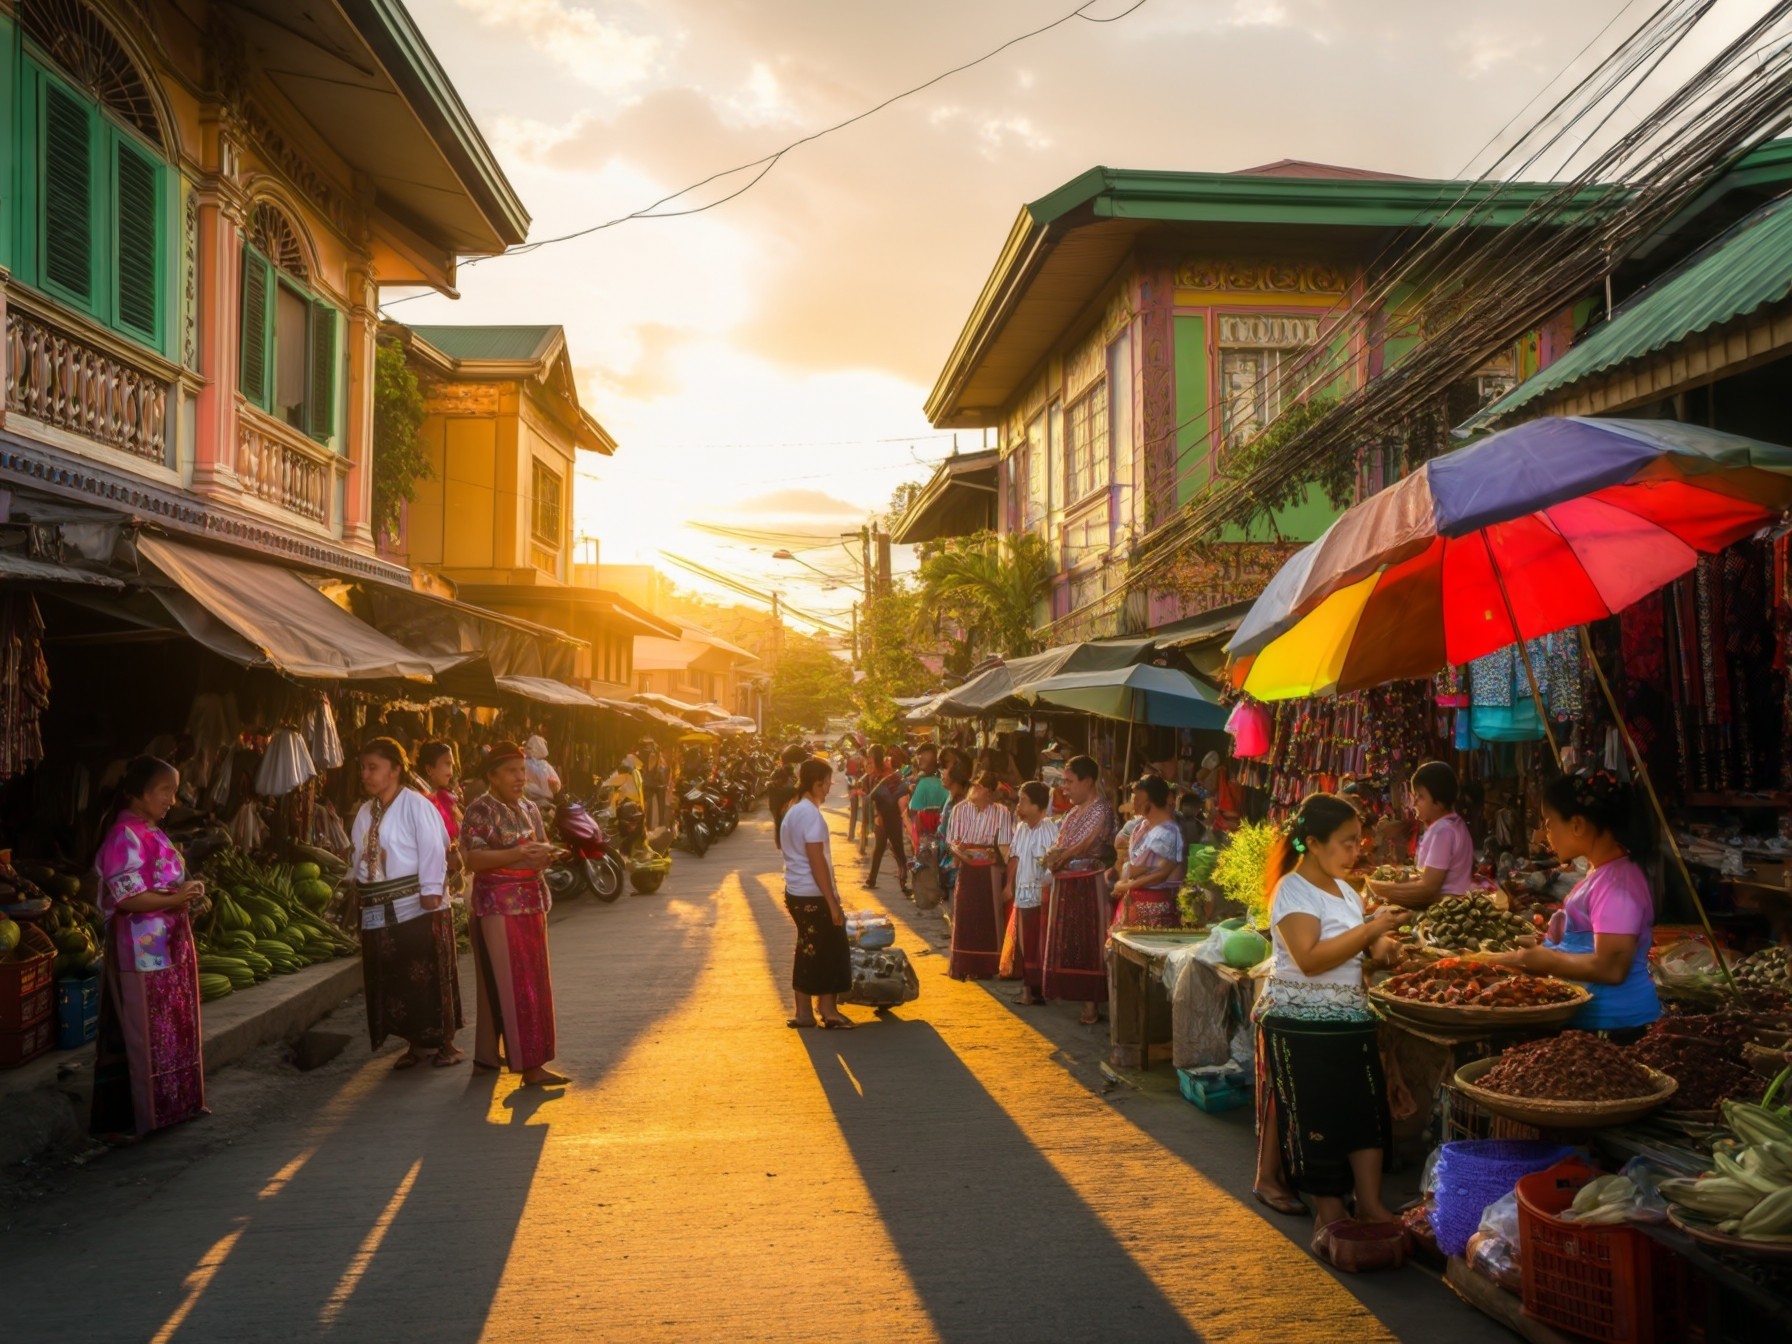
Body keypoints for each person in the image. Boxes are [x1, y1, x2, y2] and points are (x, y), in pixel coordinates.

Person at [1254, 793, 1406, 1248]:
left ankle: (1372, 1203)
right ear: (1313, 844)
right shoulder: (1292, 890)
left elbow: (1359, 950)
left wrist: (1386, 949)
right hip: (1303, 1022)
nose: (1355, 851)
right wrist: (1370, 930)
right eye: (1345, 842)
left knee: (1365, 1114)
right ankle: (1331, 1211)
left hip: (1351, 1017)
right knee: (1319, 1118)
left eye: (1357, 841)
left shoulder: (1344, 890)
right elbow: (1310, 958)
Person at [1485, 771, 1660, 1036]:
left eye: (1549, 823)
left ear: (1577, 825)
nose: (1544, 834)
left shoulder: (1617, 884)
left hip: (1615, 1025)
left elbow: (1613, 967)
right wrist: (1547, 946)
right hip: (1598, 1018)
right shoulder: (1604, 871)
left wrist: (1549, 960)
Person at [90, 756, 207, 1137]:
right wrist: (175, 900)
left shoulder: (151, 831)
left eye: (174, 791)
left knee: (171, 1028)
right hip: (141, 950)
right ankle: (151, 1114)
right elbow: (126, 898)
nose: (172, 799)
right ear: (138, 792)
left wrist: (185, 892)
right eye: (165, 791)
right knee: (147, 1031)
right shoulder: (124, 835)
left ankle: (177, 1105)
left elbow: (156, 885)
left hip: (166, 946)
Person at [350, 738, 464, 1070]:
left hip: (419, 904)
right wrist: (358, 887)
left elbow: (433, 847)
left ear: (395, 770)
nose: (366, 775)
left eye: (373, 767)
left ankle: (445, 1043)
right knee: (397, 978)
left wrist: (431, 890)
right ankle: (415, 1044)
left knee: (428, 975)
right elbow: (359, 855)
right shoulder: (365, 811)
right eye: (363, 768)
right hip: (379, 909)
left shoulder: (416, 805)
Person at [461, 742, 567, 1085]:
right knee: (514, 985)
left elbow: (541, 844)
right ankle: (529, 1067)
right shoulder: (480, 810)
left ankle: (509, 1059)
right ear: (492, 776)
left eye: (522, 770)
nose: (520, 777)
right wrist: (519, 853)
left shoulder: (529, 808)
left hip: (532, 902)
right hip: (498, 907)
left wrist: (545, 854)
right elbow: (473, 860)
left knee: (535, 983)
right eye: (511, 771)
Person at [1042, 755, 1118, 1025]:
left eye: (1070, 782)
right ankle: (1081, 1000)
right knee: (1073, 941)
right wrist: (1056, 856)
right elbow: (1062, 842)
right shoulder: (1074, 812)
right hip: (1070, 882)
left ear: (1087, 781)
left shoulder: (1101, 810)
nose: (1066, 788)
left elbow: (1084, 845)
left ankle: (1091, 1004)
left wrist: (1060, 857)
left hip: (1090, 884)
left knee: (1090, 940)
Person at [780, 757, 854, 1029]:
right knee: (831, 949)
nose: (829, 788)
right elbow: (816, 860)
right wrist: (832, 902)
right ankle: (828, 1009)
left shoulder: (795, 810)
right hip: (812, 894)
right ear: (816, 783)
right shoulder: (809, 814)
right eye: (826, 783)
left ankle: (806, 1012)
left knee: (809, 948)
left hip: (798, 891)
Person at [1369, 761, 1472, 909]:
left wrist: (1378, 887)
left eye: (1421, 797)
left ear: (1439, 803)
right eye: (1415, 796)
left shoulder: (1443, 832)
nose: (1415, 802)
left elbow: (1428, 889)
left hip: (1444, 909)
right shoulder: (1453, 823)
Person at [945, 771, 1015, 979]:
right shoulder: (959, 810)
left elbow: (1005, 846)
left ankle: (988, 966)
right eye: (974, 785)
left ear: (990, 792)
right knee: (965, 914)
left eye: (980, 786)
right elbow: (952, 841)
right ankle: (964, 965)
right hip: (967, 867)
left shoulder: (1001, 812)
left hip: (991, 868)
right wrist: (961, 853)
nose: (975, 789)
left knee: (989, 915)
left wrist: (1006, 876)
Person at [1007, 781, 1059, 1005]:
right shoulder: (1020, 828)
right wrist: (1009, 886)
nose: (1019, 805)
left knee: (1040, 944)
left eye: (1024, 801)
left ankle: (1038, 990)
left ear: (1039, 806)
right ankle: (1029, 990)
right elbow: (1015, 858)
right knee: (1025, 944)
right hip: (1023, 894)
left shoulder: (1050, 830)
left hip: (1042, 895)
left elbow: (1052, 864)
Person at [1110, 775, 1185, 929]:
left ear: (1149, 803)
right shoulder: (1140, 826)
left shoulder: (1168, 832)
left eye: (1137, 800)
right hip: (1132, 901)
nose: (1133, 804)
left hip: (1155, 906)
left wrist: (1126, 885)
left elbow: (1160, 873)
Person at [418, 741, 465, 899]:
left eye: (451, 765)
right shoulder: (421, 802)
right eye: (447, 764)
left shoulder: (443, 798)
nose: (451, 772)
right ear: (429, 769)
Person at [866, 747, 911, 897]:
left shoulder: (886, 774)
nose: (869, 762)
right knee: (883, 849)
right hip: (885, 817)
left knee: (897, 851)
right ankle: (872, 880)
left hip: (889, 817)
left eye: (871, 758)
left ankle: (903, 883)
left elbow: (891, 795)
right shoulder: (876, 775)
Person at [906, 743, 949, 848]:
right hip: (944, 836)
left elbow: (912, 810)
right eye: (919, 757)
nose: (920, 760)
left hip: (927, 839)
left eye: (924, 758)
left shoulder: (924, 783)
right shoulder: (944, 780)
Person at [523, 735, 561, 808]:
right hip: (532, 802)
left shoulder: (525, 762)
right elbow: (557, 786)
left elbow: (557, 785)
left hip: (536, 802)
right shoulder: (525, 763)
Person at [767, 764, 798, 843]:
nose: (775, 781)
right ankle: (781, 841)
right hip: (778, 807)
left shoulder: (772, 786)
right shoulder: (774, 786)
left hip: (778, 807)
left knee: (779, 823)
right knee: (779, 823)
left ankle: (781, 841)